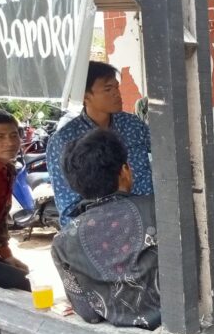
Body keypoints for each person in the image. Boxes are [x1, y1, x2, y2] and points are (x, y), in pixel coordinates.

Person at [51, 129, 161, 329]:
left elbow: (88, 313)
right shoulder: (160, 210)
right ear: (125, 171)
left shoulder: (63, 241)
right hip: (178, 332)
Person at [47, 61, 153, 226]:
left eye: (116, 87)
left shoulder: (133, 125)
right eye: (108, 89)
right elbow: (68, 207)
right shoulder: (64, 140)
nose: (117, 94)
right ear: (85, 96)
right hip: (102, 228)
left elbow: (165, 157)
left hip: (148, 220)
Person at [0, 110, 30, 291]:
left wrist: (6, 255)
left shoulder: (8, 170)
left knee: (22, 277)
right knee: (19, 282)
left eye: (14, 135)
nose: (10, 142)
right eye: (0, 137)